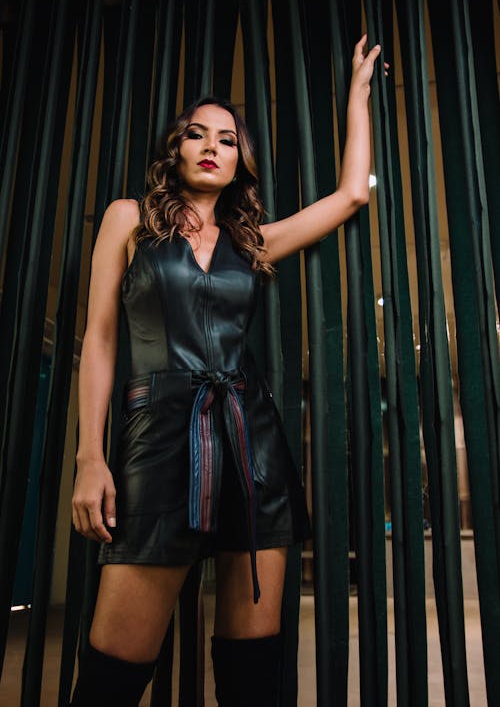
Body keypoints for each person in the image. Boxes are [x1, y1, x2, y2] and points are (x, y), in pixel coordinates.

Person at [70, 35, 385, 706]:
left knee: (253, 677)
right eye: (197, 134)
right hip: (157, 446)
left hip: (253, 447)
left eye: (228, 138)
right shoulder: (129, 221)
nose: (212, 145)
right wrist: (89, 458)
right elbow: (98, 341)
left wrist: (358, 91)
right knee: (111, 678)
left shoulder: (253, 241)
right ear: (176, 148)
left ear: (242, 160)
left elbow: (352, 195)